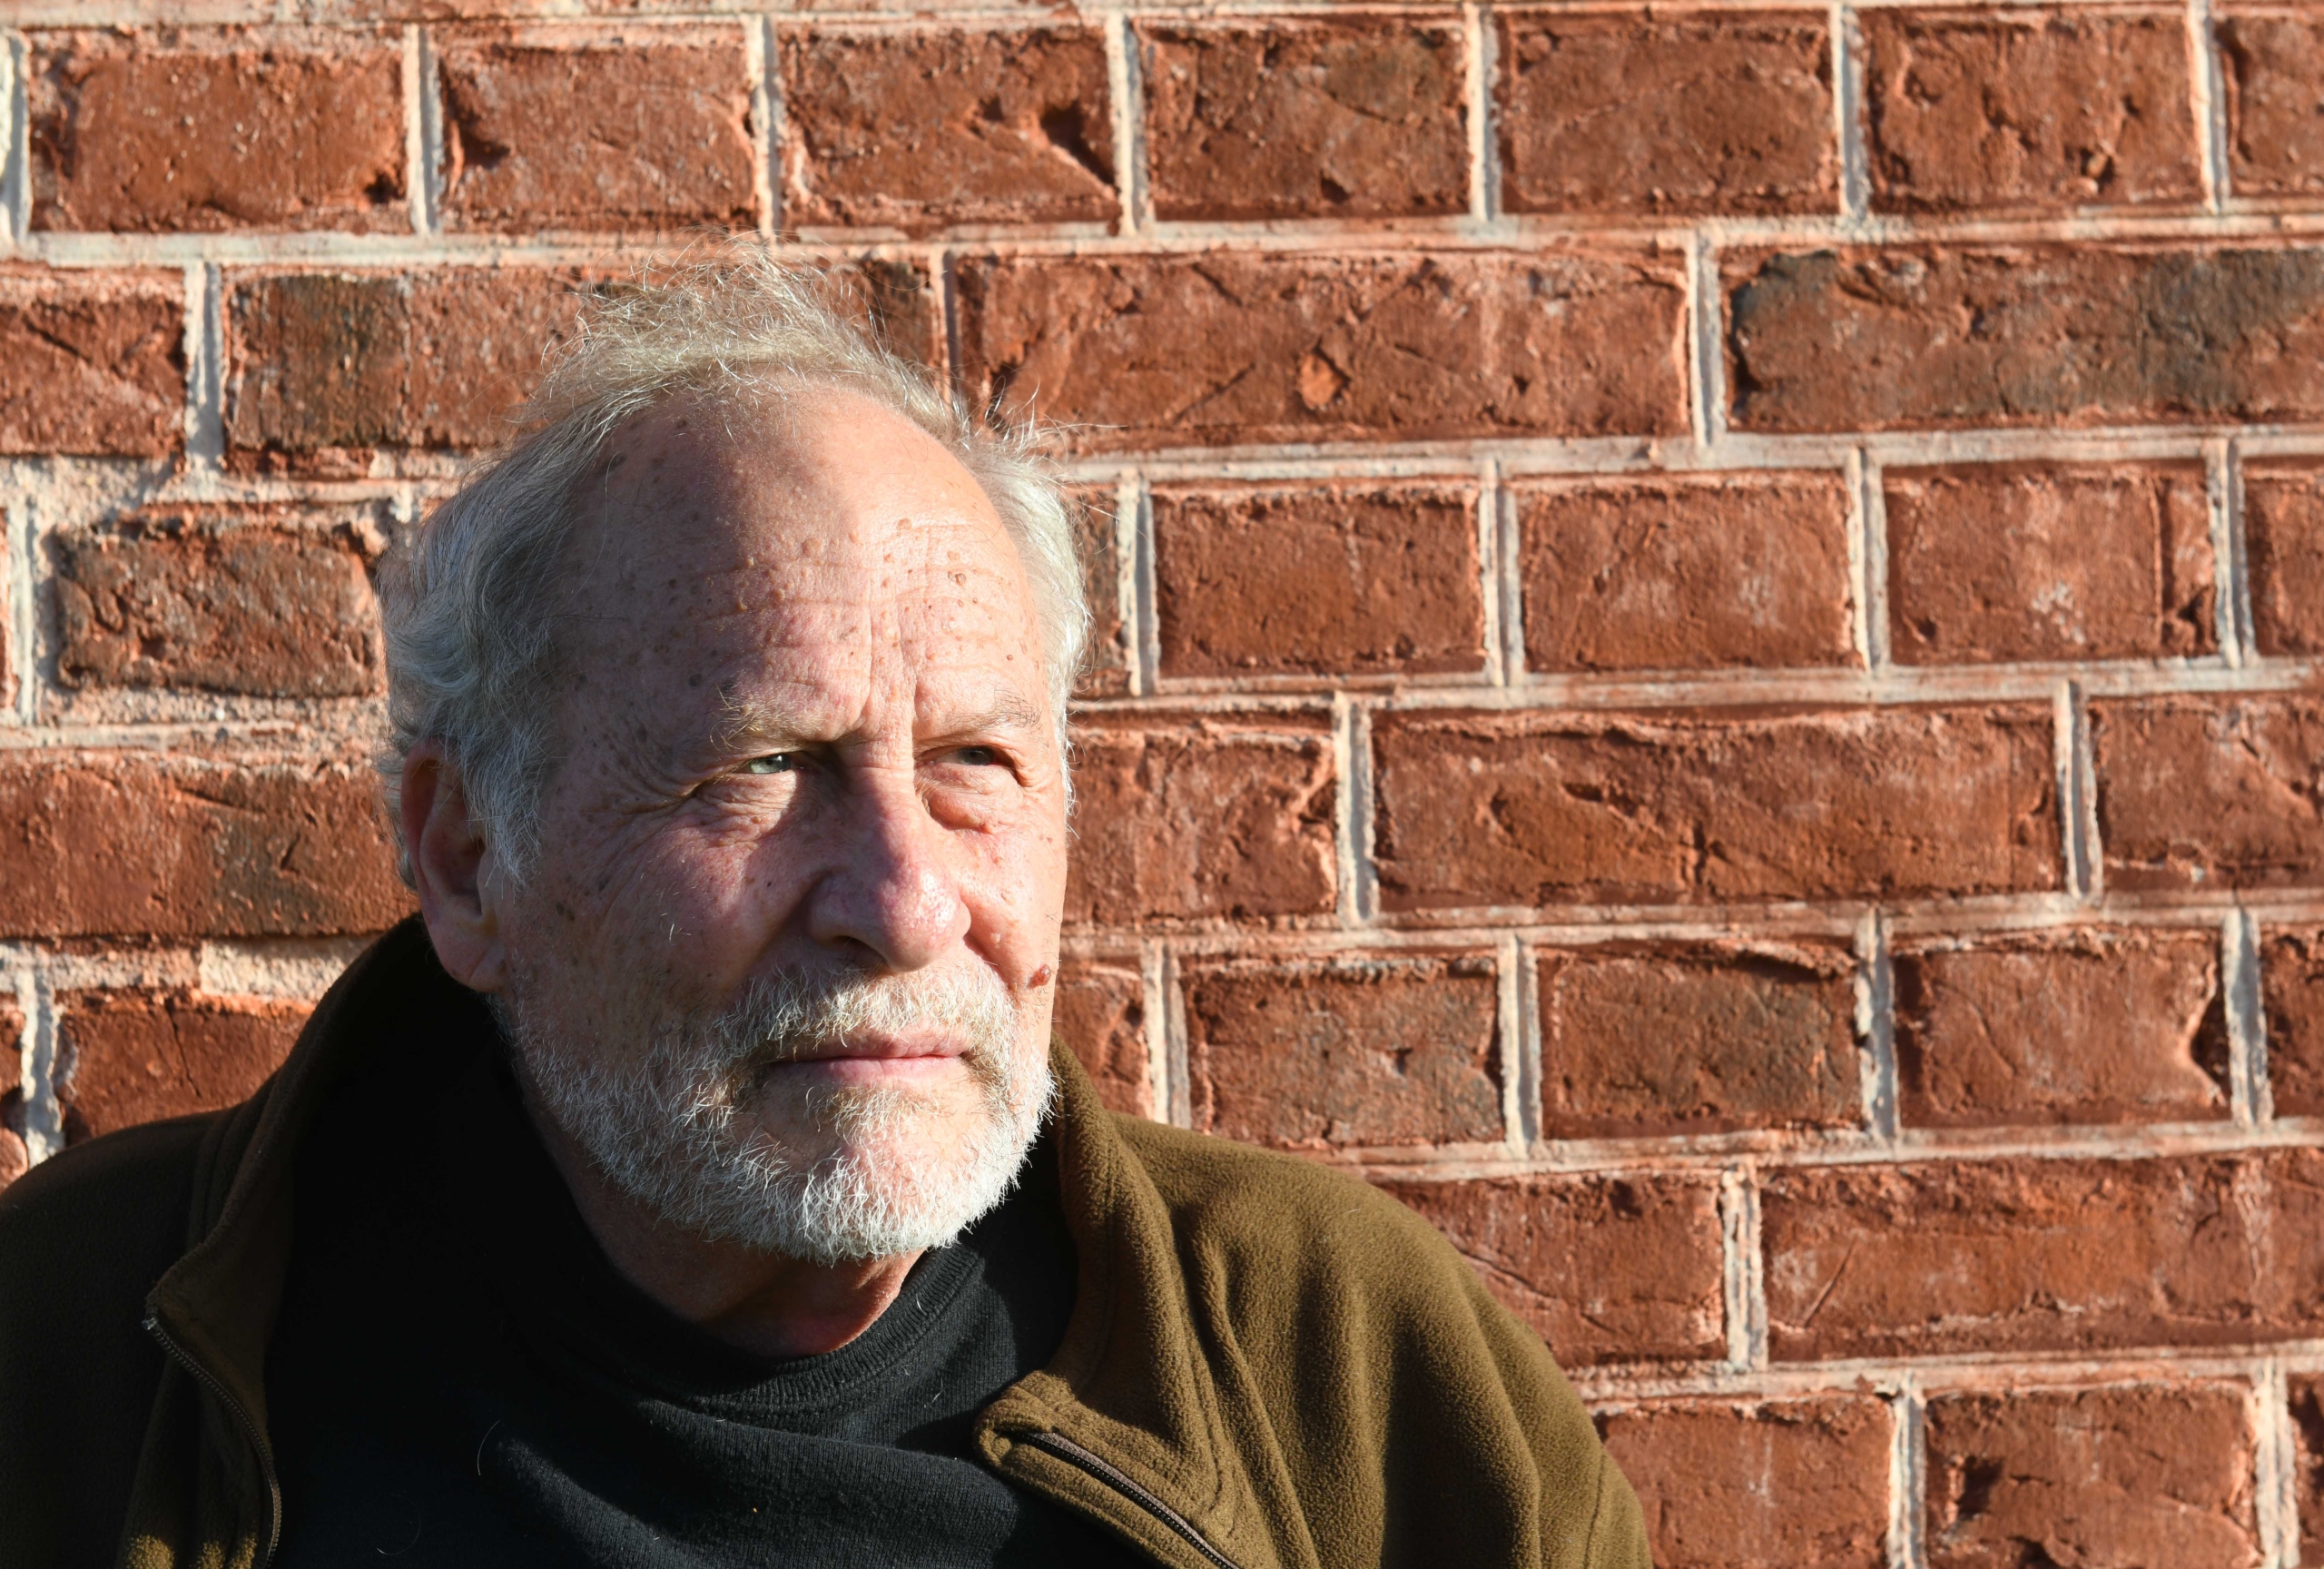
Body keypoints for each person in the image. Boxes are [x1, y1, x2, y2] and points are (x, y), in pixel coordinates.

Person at [0, 254, 1649, 1569]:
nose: (906, 900)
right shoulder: (75, 1358)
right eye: (764, 766)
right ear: (464, 858)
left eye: (976, 762)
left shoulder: (1352, 1379)